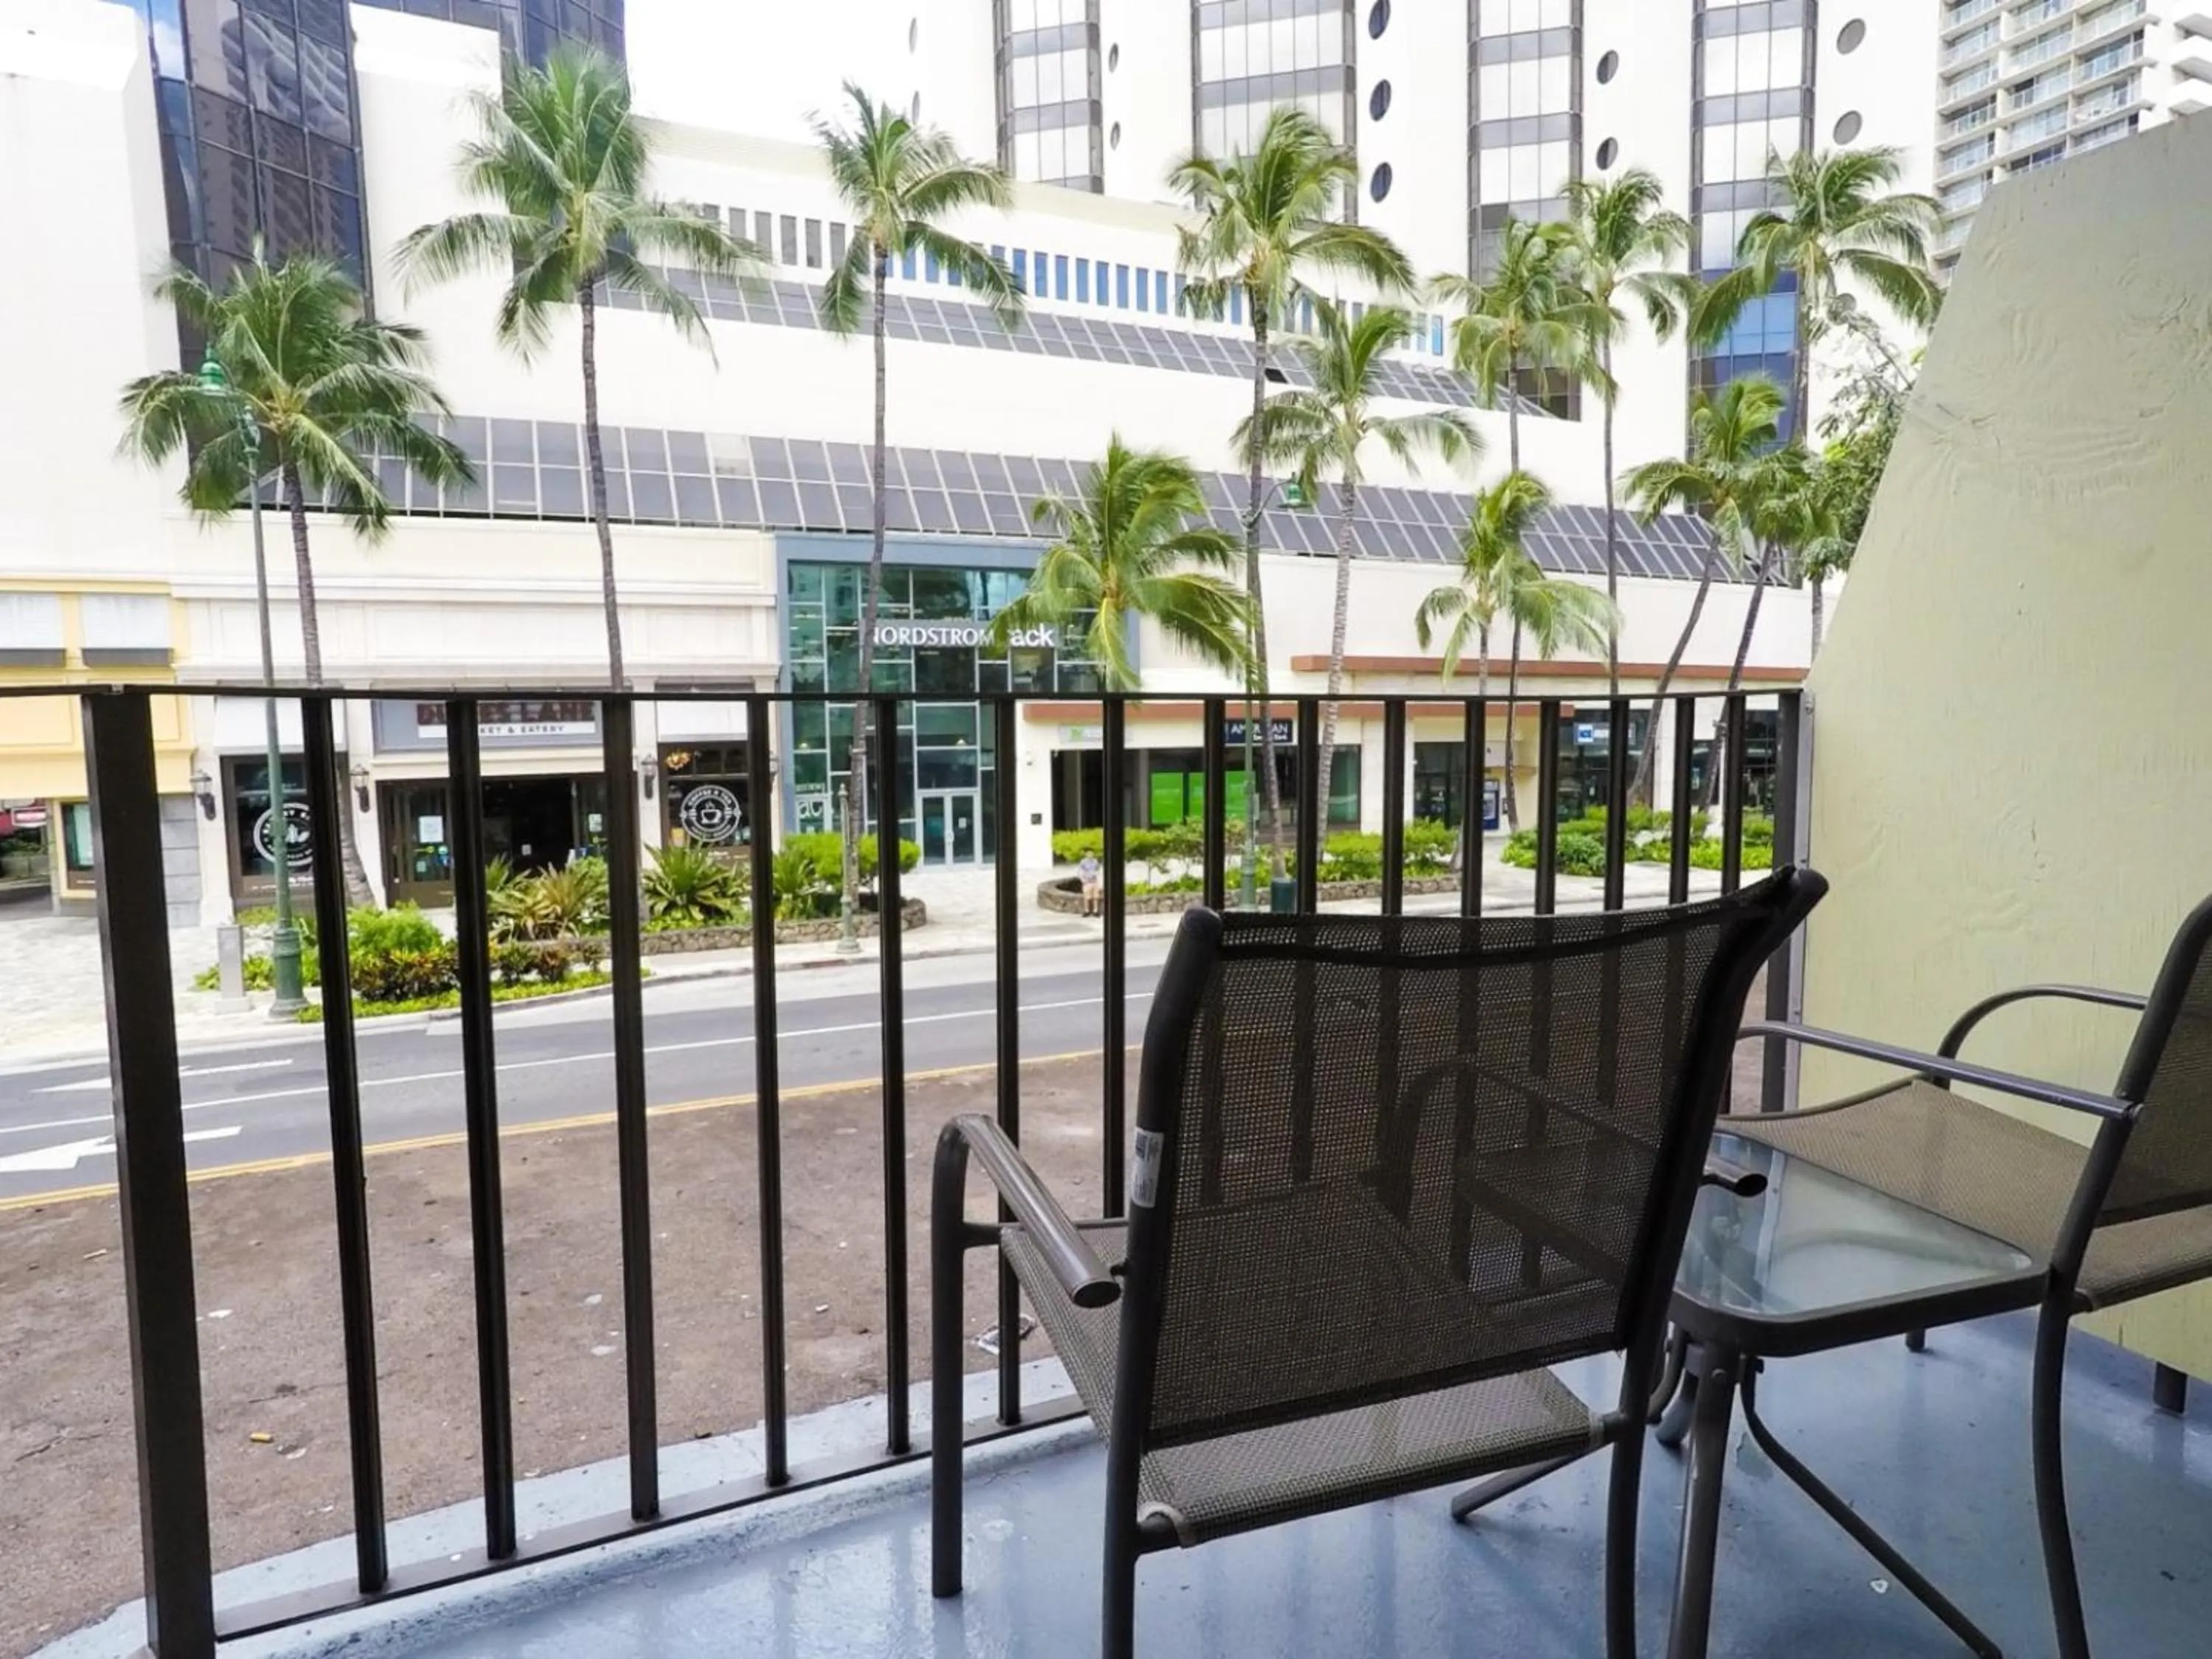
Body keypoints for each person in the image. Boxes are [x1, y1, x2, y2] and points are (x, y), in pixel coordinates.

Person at [1077, 849, 1103, 918]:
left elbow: (1098, 871)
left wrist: (1099, 881)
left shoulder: (1095, 862)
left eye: (1091, 853)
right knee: (1087, 897)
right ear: (1086, 854)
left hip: (1094, 881)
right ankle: (1087, 910)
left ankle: (1096, 910)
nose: (1090, 855)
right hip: (1087, 882)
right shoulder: (1083, 862)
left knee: (1096, 897)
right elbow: (1080, 871)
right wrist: (1083, 880)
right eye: (1089, 853)